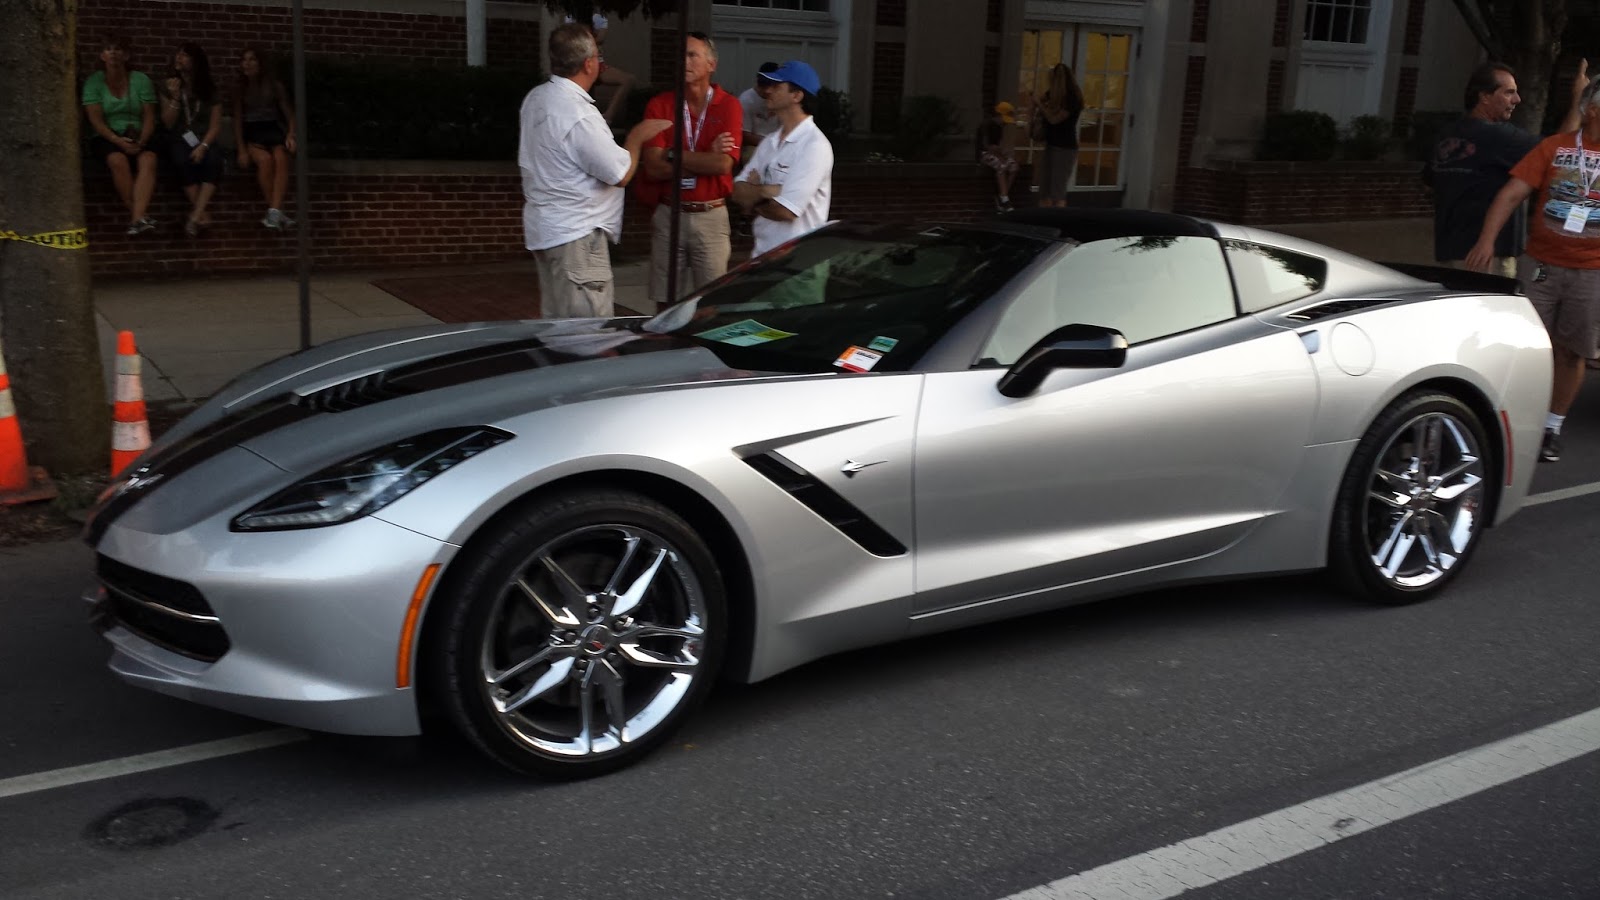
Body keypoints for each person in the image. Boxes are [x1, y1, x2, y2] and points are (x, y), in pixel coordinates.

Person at [1466, 75, 1600, 463]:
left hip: (1591, 272)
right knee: (1528, 344)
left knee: (1573, 352)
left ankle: (1551, 427)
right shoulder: (1554, 148)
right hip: (1541, 265)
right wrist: (1486, 241)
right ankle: (1510, 419)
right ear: (1591, 111)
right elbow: (1511, 194)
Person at [520, 23, 671, 318]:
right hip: (576, 234)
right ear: (590, 64)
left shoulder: (536, 98)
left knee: (558, 328)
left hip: (547, 229)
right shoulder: (577, 112)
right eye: (599, 57)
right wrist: (637, 137)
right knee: (586, 337)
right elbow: (619, 173)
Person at [1427, 60, 1586, 277]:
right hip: (1487, 254)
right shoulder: (1499, 136)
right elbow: (1558, 151)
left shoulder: (1446, 135)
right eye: (1509, 92)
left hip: (1448, 250)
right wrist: (1579, 100)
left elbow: (1429, 181)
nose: (1517, 100)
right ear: (1484, 97)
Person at [637, 32, 745, 309]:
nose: (683, 61)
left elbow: (723, 164)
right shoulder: (660, 104)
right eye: (680, 55)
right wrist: (706, 155)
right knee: (665, 301)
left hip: (711, 215)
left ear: (711, 64)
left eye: (691, 55)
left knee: (710, 301)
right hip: (669, 214)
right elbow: (653, 167)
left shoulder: (729, 105)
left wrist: (673, 154)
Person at [731, 60, 834, 258]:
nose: (768, 90)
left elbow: (785, 211)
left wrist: (753, 197)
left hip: (798, 264)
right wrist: (768, 191)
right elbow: (737, 193)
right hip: (762, 256)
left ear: (797, 95)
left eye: (777, 86)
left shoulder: (815, 145)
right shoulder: (769, 142)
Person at [82, 35, 160, 235]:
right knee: (117, 160)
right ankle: (139, 216)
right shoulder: (94, 82)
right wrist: (117, 141)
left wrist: (142, 140)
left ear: (126, 55)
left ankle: (136, 218)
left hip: (137, 133)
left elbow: (150, 115)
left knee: (149, 158)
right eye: (108, 49)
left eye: (118, 49)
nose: (113, 53)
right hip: (108, 136)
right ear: (102, 55)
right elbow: (96, 120)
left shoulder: (140, 80)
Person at [159, 43, 224, 237]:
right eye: (177, 54)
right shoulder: (168, 85)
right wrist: (176, 98)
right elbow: (168, 123)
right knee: (181, 161)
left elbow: (215, 125)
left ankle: (195, 215)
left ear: (196, 62)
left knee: (213, 160)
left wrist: (203, 146)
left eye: (185, 55)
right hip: (179, 138)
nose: (179, 58)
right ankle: (200, 213)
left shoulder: (210, 90)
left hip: (204, 138)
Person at [232, 46, 298, 230]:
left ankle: (274, 212)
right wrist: (241, 149)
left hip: (273, 129)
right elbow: (237, 121)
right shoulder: (239, 89)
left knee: (281, 157)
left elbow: (289, 114)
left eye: (252, 59)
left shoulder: (275, 86)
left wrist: (291, 134)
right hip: (253, 132)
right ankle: (276, 211)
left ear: (260, 63)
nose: (247, 63)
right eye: (244, 59)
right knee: (265, 161)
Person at [1028, 63, 1084, 208]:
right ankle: (1044, 219)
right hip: (1051, 144)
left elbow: (1054, 120)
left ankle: (1057, 220)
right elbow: (1039, 101)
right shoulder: (1052, 93)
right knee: (1045, 187)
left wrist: (1040, 105)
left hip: (1065, 148)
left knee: (1057, 190)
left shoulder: (1072, 98)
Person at [564, 11, 635, 124]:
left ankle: (608, 115)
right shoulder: (571, 15)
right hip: (577, 63)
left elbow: (600, 37)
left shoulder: (600, 17)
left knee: (628, 79)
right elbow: (572, 38)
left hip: (597, 64)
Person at [977, 101, 1023, 212]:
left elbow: (998, 146)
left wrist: (1005, 154)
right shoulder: (987, 125)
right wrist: (1002, 154)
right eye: (1004, 119)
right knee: (1001, 166)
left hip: (996, 153)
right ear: (998, 115)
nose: (1005, 123)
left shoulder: (999, 127)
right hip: (984, 154)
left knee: (1013, 167)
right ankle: (1005, 199)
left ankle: (1003, 194)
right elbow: (988, 146)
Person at [739, 61, 782, 152]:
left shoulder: (781, 98)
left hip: (778, 144)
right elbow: (744, 134)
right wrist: (769, 143)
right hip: (753, 146)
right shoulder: (746, 100)